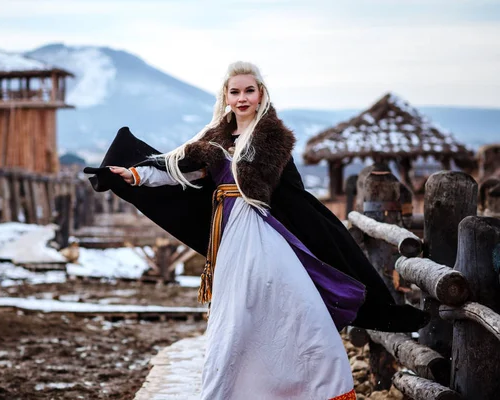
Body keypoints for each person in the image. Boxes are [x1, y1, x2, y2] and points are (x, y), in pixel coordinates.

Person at [84, 61, 429, 400]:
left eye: (249, 90)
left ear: (261, 94)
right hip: (232, 238)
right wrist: (136, 175)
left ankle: (320, 389)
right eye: (235, 91)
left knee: (299, 307)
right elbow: (179, 170)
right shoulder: (213, 138)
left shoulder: (273, 139)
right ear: (226, 96)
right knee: (235, 315)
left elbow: (290, 195)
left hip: (266, 231)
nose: (242, 97)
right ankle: (230, 391)